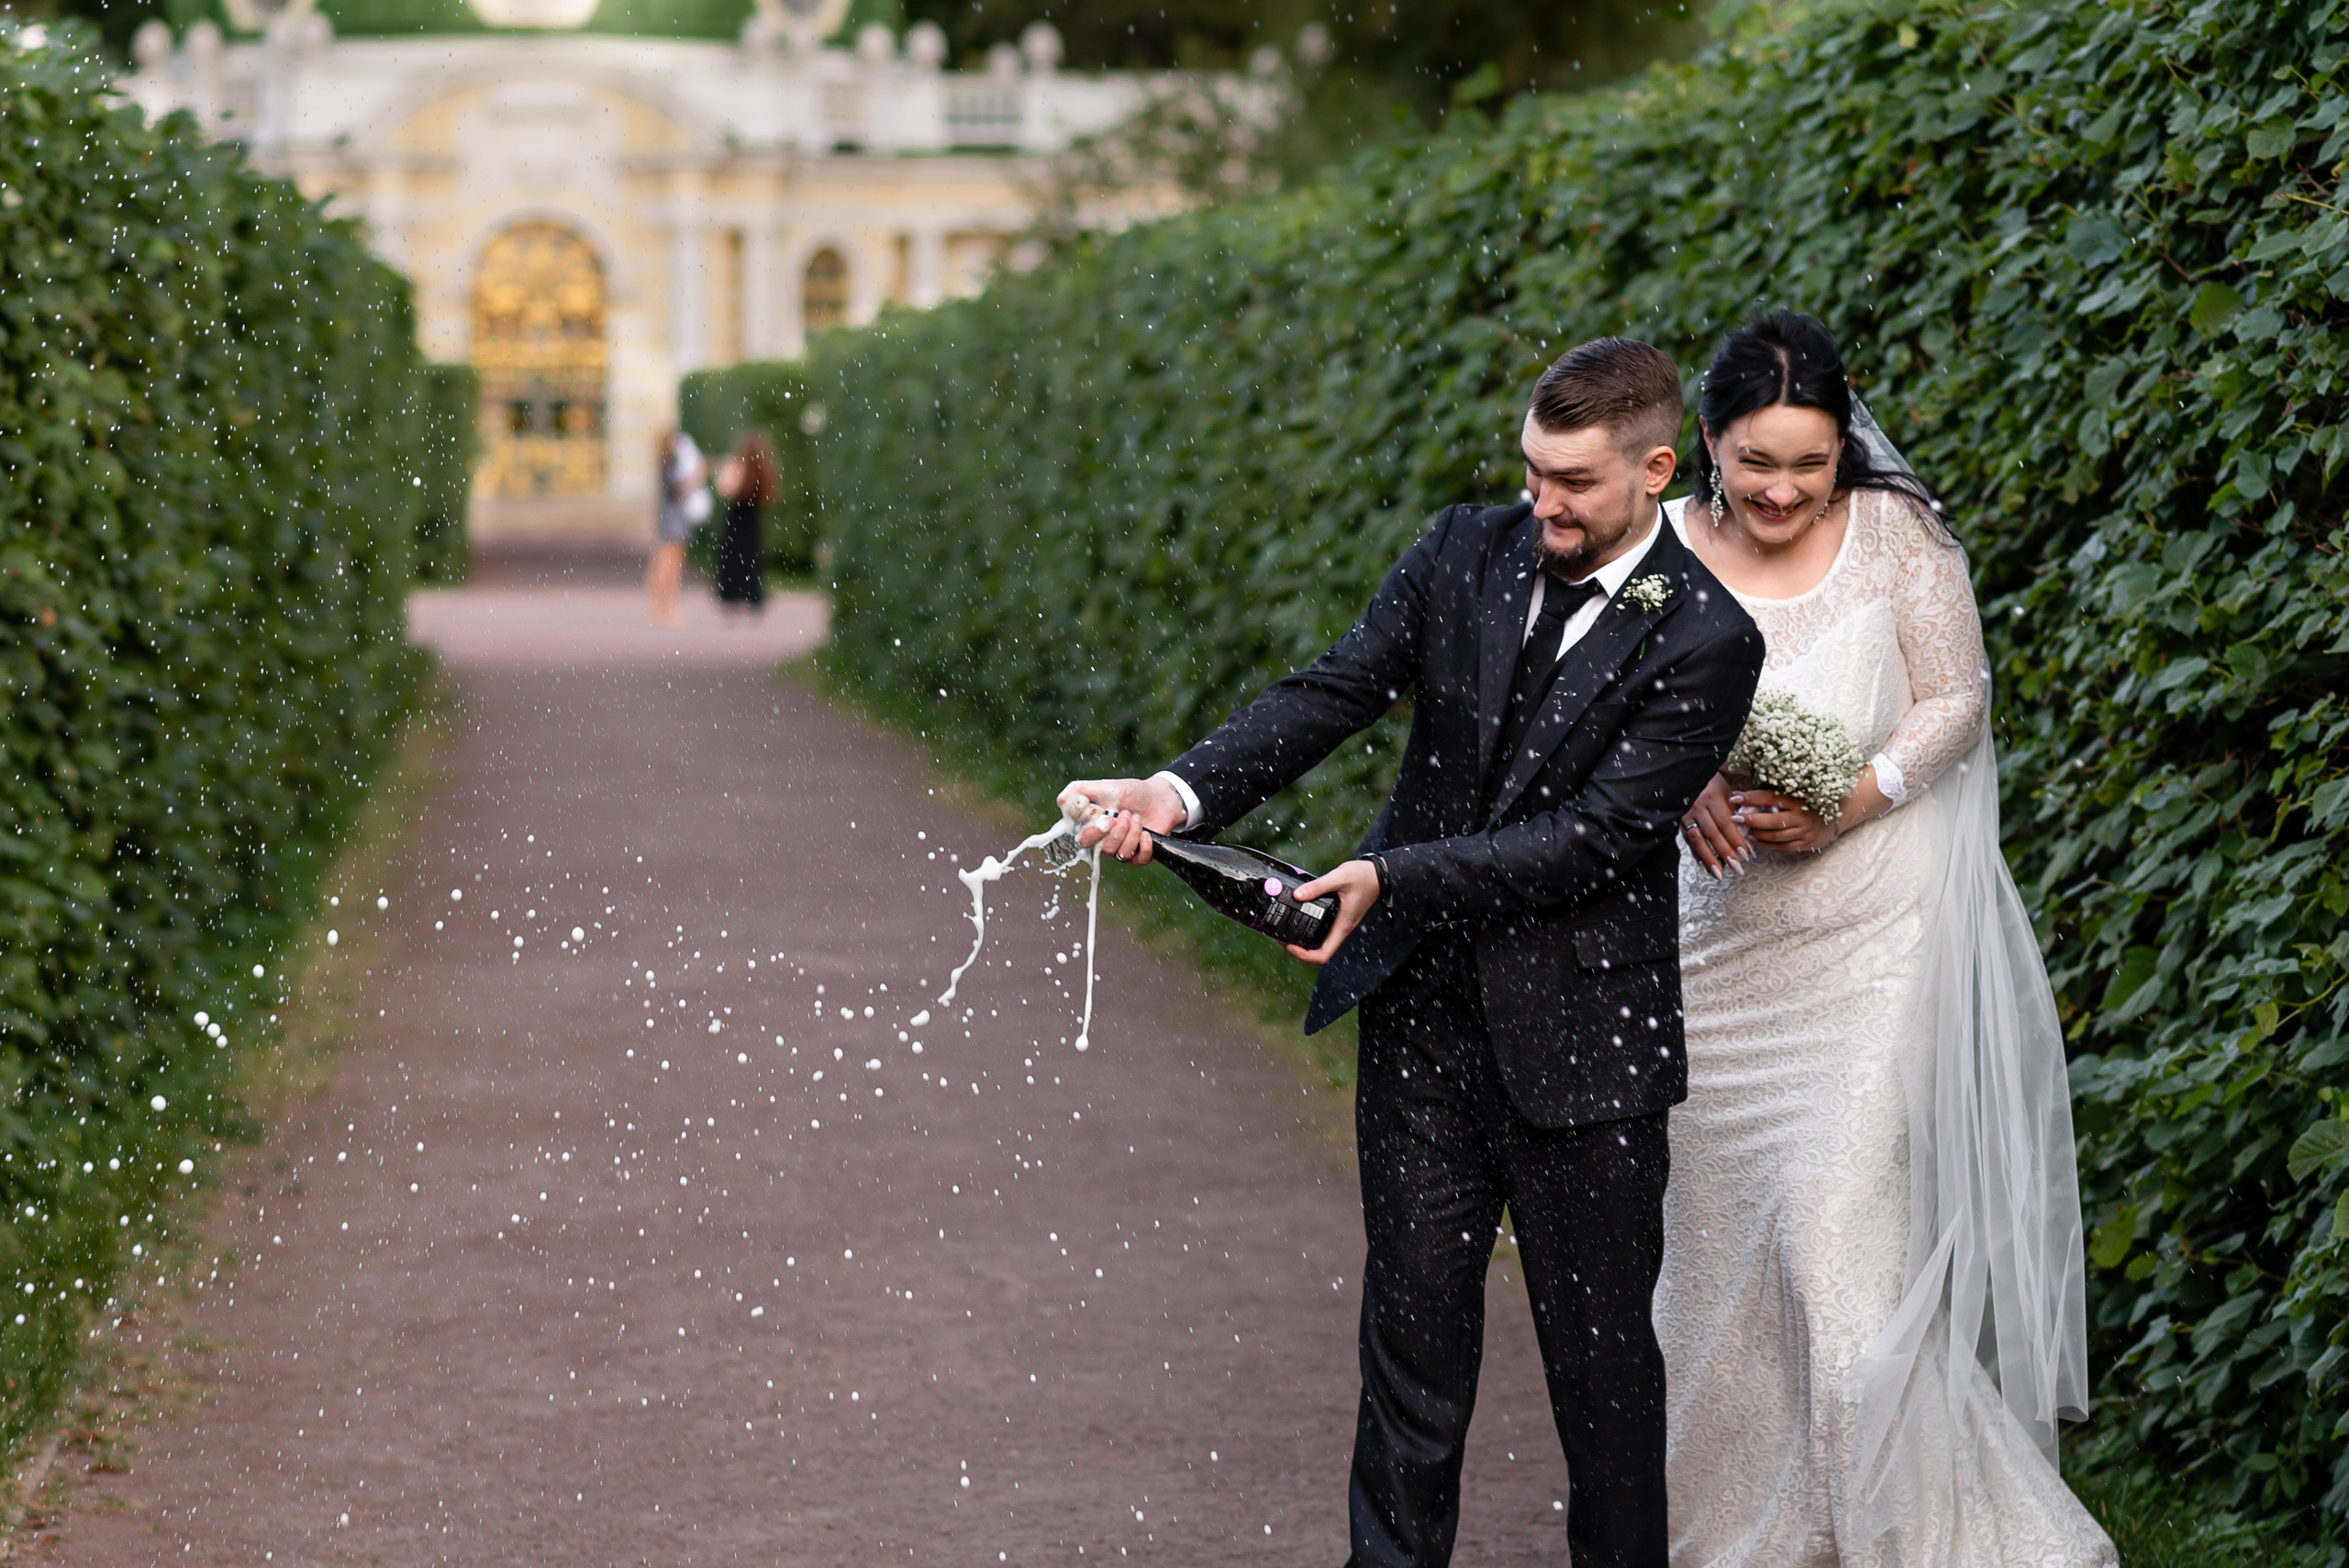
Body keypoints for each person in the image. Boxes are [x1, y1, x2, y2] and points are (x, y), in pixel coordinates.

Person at [1066, 338, 1765, 1567]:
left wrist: (1391, 875)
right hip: (1422, 1025)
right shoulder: (1462, 549)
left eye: (1575, 484)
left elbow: (1591, 843)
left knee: (1605, 1393)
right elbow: (1333, 691)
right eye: (1533, 470)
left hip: (1588, 1059)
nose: (1541, 501)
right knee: (1410, 1369)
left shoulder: (1709, 637)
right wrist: (1179, 796)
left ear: (1658, 469)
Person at [1661, 311, 2113, 1566]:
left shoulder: (1898, 539)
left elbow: (1958, 696)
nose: (1784, 488)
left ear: (1844, 451)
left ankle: (1902, 1537)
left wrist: (1859, 794)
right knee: (1717, 1273)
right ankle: (1743, 1535)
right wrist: (1669, 778)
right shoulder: (1663, 553)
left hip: (1871, 946)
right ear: (1709, 443)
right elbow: (1601, 709)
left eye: (1810, 463)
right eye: (1757, 460)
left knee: (1838, 1251)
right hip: (1712, 958)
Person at [646, 430, 709, 626]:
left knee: (665, 560)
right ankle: (667, 607)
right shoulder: (670, 464)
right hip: (674, 517)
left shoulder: (665, 463)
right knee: (671, 562)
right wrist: (698, 476)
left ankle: (660, 607)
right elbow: (677, 490)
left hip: (669, 516)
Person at [712, 428, 778, 614]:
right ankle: (752, 595)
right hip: (752, 520)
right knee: (751, 559)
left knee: (733, 560)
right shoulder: (762, 469)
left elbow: (725, 490)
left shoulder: (738, 466)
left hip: (736, 519)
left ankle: (732, 596)